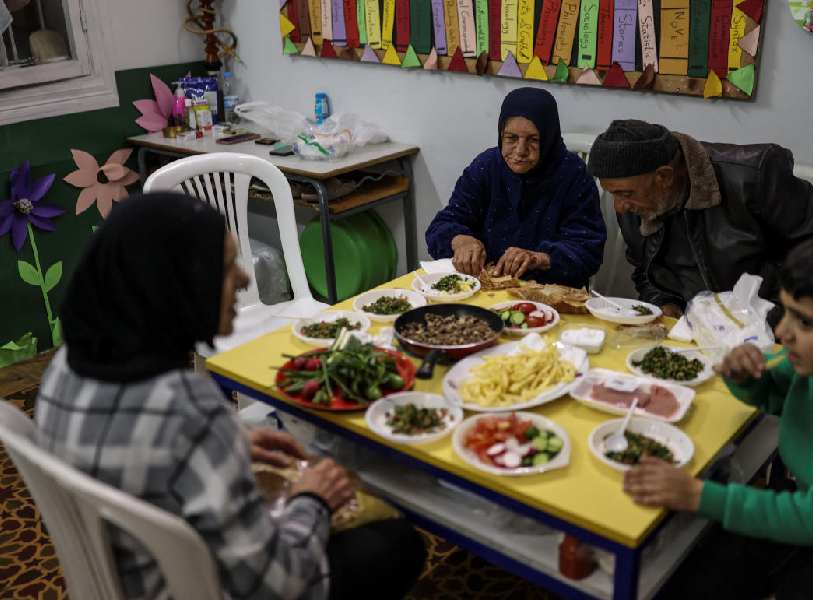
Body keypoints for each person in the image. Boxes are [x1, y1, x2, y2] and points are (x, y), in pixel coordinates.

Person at [35, 192, 424, 600]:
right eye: (222, 268)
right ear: (172, 287)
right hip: (197, 587)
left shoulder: (64, 368)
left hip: (121, 577)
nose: (243, 279)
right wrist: (313, 499)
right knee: (396, 542)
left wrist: (228, 445)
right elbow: (277, 585)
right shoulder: (189, 408)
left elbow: (142, 449)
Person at [622, 228, 813, 599]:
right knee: (694, 574)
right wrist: (747, 378)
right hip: (802, 494)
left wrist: (697, 495)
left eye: (804, 322)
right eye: (785, 312)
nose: (782, 332)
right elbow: (776, 395)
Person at [588, 120, 813, 319]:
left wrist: (763, 317)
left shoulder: (754, 178)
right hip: (692, 327)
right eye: (613, 194)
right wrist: (662, 303)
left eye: (625, 194)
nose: (619, 207)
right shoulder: (636, 205)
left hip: (764, 324)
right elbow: (645, 271)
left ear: (664, 177)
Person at [425, 87, 606, 289]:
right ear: (501, 134)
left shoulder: (573, 175)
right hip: (488, 286)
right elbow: (443, 224)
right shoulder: (487, 166)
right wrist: (460, 240)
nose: (520, 151)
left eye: (533, 140)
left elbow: (587, 250)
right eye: (511, 138)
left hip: (550, 294)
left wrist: (540, 258)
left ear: (549, 138)